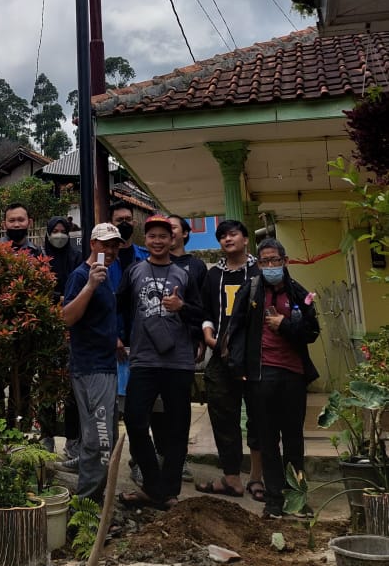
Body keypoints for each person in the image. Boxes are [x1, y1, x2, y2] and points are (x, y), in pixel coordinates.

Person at [226, 237, 319, 519]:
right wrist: (238, 367)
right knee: (267, 440)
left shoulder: (298, 293)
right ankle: (275, 500)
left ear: (285, 261)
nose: (269, 266)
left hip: (293, 374)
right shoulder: (251, 289)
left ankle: (298, 499)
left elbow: (312, 331)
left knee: (294, 440)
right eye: (264, 261)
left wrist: (286, 324)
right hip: (261, 374)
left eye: (274, 261)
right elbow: (236, 329)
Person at [118, 214, 203, 510]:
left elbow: (200, 312)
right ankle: (155, 486)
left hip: (178, 361)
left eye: (163, 236)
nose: (157, 241)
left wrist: (182, 307)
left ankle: (169, 491)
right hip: (143, 358)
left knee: (178, 427)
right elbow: (120, 306)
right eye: (152, 236)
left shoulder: (184, 274)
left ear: (173, 240)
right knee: (134, 419)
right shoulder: (134, 271)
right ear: (147, 240)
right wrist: (118, 336)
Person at [196, 220, 264, 499]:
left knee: (259, 417)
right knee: (223, 416)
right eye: (222, 236)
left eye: (233, 234)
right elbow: (206, 311)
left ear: (246, 239)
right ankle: (232, 477)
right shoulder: (213, 276)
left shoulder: (259, 271)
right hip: (222, 356)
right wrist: (208, 334)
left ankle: (258, 478)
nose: (227, 239)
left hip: (255, 356)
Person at [62, 222, 122, 502]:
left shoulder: (108, 274)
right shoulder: (81, 275)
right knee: (98, 439)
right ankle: (86, 505)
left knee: (107, 435)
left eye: (114, 245)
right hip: (90, 366)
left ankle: (100, 502)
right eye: (104, 244)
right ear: (92, 244)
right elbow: (67, 318)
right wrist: (89, 286)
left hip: (107, 363)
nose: (109, 250)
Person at [0, 201, 42, 422]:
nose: (16, 224)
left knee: (24, 381)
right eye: (12, 220)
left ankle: (22, 427)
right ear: (4, 223)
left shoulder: (37, 252)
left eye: (21, 220)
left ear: (29, 223)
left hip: (27, 329)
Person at [40, 217, 84, 458]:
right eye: (54, 231)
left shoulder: (76, 257)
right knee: (47, 385)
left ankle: (72, 440)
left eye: (62, 231)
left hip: (71, 329)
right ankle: (46, 436)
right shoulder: (40, 257)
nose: (58, 235)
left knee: (70, 389)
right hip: (46, 330)